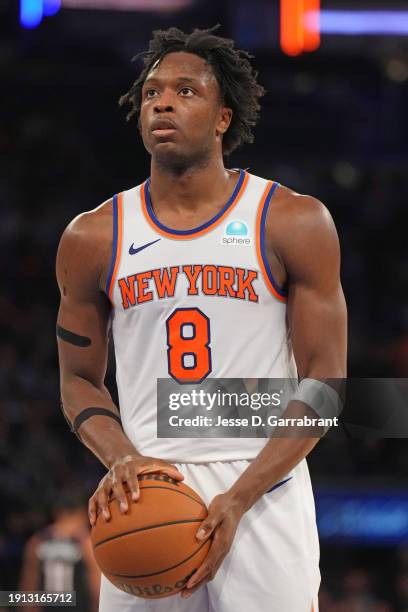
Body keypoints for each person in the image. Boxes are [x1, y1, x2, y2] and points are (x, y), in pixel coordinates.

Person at [56, 26, 347, 612]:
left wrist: (240, 497)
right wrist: (122, 459)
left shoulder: (292, 220)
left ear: (223, 118)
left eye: (186, 91)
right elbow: (77, 379)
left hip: (265, 485)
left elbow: (326, 381)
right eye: (152, 93)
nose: (162, 102)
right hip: (147, 487)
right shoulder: (93, 236)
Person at [19, 489, 100, 612]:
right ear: (81, 513)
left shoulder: (38, 540)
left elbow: (28, 584)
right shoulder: (84, 542)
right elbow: (96, 585)